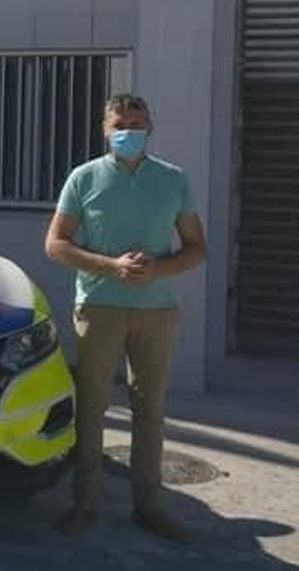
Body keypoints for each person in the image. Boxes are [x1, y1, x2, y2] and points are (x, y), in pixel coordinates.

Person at [45, 94, 207, 543]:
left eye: (138, 122)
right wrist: (110, 266)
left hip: (156, 310)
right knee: (92, 407)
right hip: (99, 306)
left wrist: (158, 268)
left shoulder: (172, 180)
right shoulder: (85, 178)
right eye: (121, 123)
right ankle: (85, 503)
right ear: (105, 128)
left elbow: (197, 247)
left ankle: (149, 506)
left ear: (150, 126)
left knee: (150, 409)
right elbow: (56, 244)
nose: (129, 130)